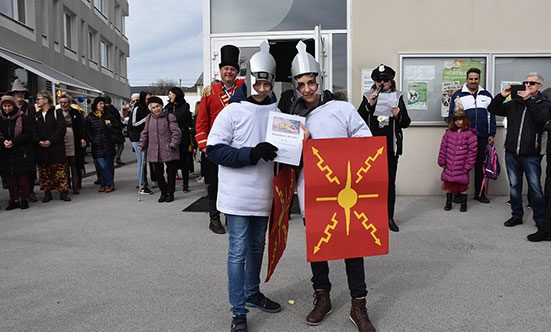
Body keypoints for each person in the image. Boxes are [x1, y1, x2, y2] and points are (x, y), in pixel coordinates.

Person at [290, 41, 375, 332]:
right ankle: (322, 297)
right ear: (295, 86)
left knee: (353, 246)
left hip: (345, 191)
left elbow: (365, 141)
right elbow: (286, 159)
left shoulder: (342, 108)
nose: (308, 90)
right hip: (311, 191)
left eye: (311, 82)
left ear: (319, 80)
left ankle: (358, 304)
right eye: (301, 85)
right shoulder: (292, 117)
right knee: (319, 248)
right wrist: (298, 142)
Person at [207, 42, 281, 332]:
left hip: (263, 195)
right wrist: (249, 154)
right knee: (237, 252)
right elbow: (214, 151)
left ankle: (252, 292)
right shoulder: (231, 112)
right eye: (258, 83)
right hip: (237, 196)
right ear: (249, 80)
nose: (262, 89)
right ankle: (237, 310)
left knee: (257, 247)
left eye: (267, 83)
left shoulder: (277, 110)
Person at [487, 72, 550, 242]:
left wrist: (529, 100)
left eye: (532, 83)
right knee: (514, 186)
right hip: (512, 152)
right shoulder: (514, 103)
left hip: (531, 154)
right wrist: (502, 95)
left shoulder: (543, 103)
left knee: (535, 188)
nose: (527, 85)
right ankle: (516, 215)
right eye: (526, 82)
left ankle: (540, 220)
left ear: (539, 87)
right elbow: (492, 109)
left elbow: (541, 119)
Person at [196, 44, 244, 234]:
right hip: (215, 147)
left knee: (234, 185)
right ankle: (214, 218)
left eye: (232, 69)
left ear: (236, 72)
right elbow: (201, 123)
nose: (229, 72)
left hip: (237, 147)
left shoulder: (244, 88)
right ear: (221, 71)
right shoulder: (210, 92)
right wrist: (205, 146)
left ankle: (232, 218)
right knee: (214, 185)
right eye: (226, 69)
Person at [358, 64, 411, 232]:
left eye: (386, 79)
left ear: (391, 81)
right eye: (379, 79)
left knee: (389, 185)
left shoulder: (398, 96)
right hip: (371, 149)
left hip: (390, 147)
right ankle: (372, 217)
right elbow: (358, 120)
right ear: (374, 81)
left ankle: (389, 217)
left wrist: (398, 115)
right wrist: (370, 105)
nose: (383, 82)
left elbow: (406, 122)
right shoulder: (368, 96)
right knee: (371, 185)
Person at [448, 68, 495, 203]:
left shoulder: (486, 95)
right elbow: (453, 117)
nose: (473, 81)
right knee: (460, 165)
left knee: (480, 166)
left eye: (476, 79)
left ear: (479, 79)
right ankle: (458, 193)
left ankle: (479, 194)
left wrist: (491, 134)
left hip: (482, 136)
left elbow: (491, 116)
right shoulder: (458, 95)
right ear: (466, 79)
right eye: (471, 79)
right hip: (464, 137)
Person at [138, 96, 181, 203]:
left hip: (168, 148)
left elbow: (176, 132)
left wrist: (173, 144)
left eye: (157, 106)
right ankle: (163, 192)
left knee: (171, 173)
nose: (156, 109)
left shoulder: (169, 117)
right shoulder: (149, 118)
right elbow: (145, 132)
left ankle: (170, 193)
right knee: (158, 173)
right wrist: (141, 144)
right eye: (153, 107)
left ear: (161, 106)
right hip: (154, 150)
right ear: (150, 109)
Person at [438, 103, 478, 212]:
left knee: (462, 185)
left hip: (462, 165)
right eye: (456, 120)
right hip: (449, 164)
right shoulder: (448, 133)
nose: (458, 122)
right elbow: (443, 148)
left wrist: (468, 166)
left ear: (465, 120)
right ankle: (448, 203)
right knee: (449, 184)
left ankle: (463, 204)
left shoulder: (470, 134)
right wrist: (442, 161)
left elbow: (472, 152)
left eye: (460, 120)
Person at [32, 91, 70, 202]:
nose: (37, 101)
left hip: (56, 148)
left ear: (46, 100)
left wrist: (50, 141)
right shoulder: (36, 115)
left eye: (39, 99)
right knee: (44, 172)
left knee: (59, 171)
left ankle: (63, 192)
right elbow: (32, 130)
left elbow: (61, 129)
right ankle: (47, 193)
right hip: (41, 150)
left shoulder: (56, 112)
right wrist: (38, 141)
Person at [0, 95, 35, 210]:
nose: (6, 108)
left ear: (13, 105)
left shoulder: (22, 117)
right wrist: (4, 142)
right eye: (4, 106)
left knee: (22, 176)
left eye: (9, 105)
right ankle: (14, 199)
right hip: (6, 152)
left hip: (21, 150)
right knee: (10, 177)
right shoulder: (1, 119)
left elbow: (28, 134)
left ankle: (24, 198)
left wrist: (14, 142)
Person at [7, 79, 37, 202]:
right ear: (13, 95)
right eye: (17, 93)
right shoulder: (8, 108)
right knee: (13, 171)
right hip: (12, 144)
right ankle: (16, 193)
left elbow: (34, 126)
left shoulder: (29, 107)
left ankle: (29, 192)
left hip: (27, 142)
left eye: (21, 93)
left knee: (29, 169)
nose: (20, 95)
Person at [84, 96, 118, 193]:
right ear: (96, 105)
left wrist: (110, 123)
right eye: (100, 104)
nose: (102, 106)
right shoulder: (90, 117)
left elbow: (118, 126)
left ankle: (104, 184)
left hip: (108, 144)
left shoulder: (108, 116)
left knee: (107, 166)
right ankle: (110, 183)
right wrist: (92, 140)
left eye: (103, 104)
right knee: (102, 166)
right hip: (97, 145)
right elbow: (87, 131)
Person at [165, 87, 193, 192]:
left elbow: (179, 118)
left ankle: (185, 184)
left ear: (177, 94)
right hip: (170, 138)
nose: (169, 96)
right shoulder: (168, 107)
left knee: (183, 161)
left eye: (171, 94)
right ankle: (170, 184)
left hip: (182, 138)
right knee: (170, 163)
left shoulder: (185, 106)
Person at [58, 94, 86, 195]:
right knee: (64, 165)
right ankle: (65, 185)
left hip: (73, 140)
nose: (63, 104)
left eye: (65, 102)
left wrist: (82, 138)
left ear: (70, 103)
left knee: (74, 164)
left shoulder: (75, 112)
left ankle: (76, 185)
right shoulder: (57, 113)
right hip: (61, 141)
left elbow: (80, 127)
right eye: (61, 103)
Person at [128, 91, 153, 195]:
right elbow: (134, 123)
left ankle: (144, 182)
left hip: (145, 137)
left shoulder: (147, 109)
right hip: (137, 137)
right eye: (147, 99)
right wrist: (147, 118)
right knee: (141, 161)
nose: (149, 101)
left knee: (144, 161)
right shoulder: (137, 108)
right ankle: (142, 185)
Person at [104, 95, 126, 166]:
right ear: (111, 101)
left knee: (112, 145)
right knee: (120, 145)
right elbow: (118, 120)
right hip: (116, 130)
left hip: (108, 131)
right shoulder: (114, 110)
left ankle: (112, 158)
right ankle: (117, 157)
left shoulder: (104, 111)